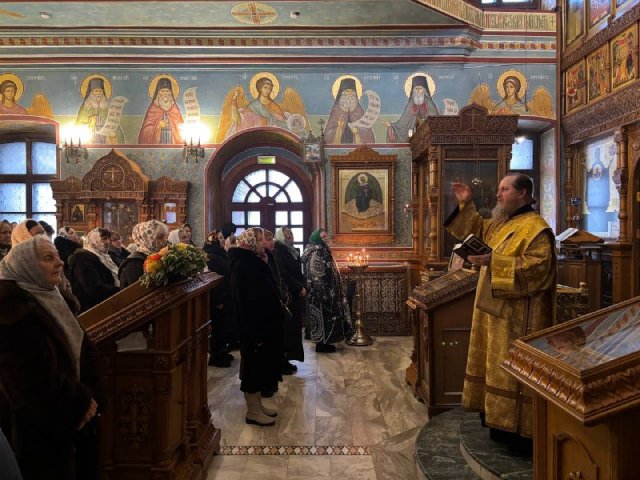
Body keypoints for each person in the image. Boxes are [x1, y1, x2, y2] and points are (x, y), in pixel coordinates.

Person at [446, 173, 556, 452]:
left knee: (510, 370)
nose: (498, 194)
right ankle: (495, 421)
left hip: (517, 320)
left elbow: (538, 268)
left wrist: (492, 261)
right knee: (493, 366)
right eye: (499, 189)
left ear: (522, 193)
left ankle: (518, 433)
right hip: (493, 312)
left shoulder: (536, 228)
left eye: (504, 189)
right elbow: (475, 230)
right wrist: (466, 203)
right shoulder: (503, 223)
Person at [0, 236, 103, 480]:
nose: (60, 262)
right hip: (37, 429)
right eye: (48, 258)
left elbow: (82, 349)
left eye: (57, 255)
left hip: (74, 418)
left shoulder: (54, 297)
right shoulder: (11, 311)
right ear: (27, 266)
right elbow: (28, 381)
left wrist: (90, 397)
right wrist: (79, 402)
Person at [228, 228, 284, 426]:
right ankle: (252, 411)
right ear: (250, 242)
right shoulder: (243, 264)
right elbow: (246, 303)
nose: (263, 243)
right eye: (259, 240)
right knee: (252, 369)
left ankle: (258, 406)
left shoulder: (254, 260)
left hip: (263, 325)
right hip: (253, 327)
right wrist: (254, 333)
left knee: (261, 367)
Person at [302, 228, 352, 353]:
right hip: (320, 294)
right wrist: (323, 294)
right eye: (323, 237)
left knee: (327, 319)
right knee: (321, 318)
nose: (326, 239)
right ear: (317, 238)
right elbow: (316, 275)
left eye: (326, 236)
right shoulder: (315, 253)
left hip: (328, 292)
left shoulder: (323, 250)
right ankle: (321, 345)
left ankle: (326, 343)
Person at [274, 227, 306, 369]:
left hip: (295, 294)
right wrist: (299, 287)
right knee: (288, 329)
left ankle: (288, 358)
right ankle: (283, 360)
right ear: (281, 238)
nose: (291, 239)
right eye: (288, 237)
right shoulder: (279, 252)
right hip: (288, 296)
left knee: (294, 329)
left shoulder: (292, 251)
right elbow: (284, 274)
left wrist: (304, 286)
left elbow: (298, 272)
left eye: (291, 236)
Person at [203, 230, 236, 367]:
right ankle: (216, 355)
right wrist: (218, 300)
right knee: (217, 328)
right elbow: (213, 281)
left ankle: (222, 351)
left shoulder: (220, 253)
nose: (223, 240)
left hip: (225, 296)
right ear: (214, 240)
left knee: (223, 327)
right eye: (220, 238)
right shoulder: (211, 256)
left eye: (223, 237)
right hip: (218, 299)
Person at [68, 228, 120, 312]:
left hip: (105, 303)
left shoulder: (104, 257)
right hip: (92, 308)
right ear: (94, 240)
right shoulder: (83, 258)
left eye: (108, 239)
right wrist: (119, 290)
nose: (108, 242)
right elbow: (93, 287)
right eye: (104, 239)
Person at [386, 74, 439, 143]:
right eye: (416, 89)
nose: (418, 91)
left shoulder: (429, 102)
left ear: (424, 90)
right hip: (412, 133)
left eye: (420, 89)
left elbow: (435, 118)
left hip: (426, 134)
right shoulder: (411, 103)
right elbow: (404, 121)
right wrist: (392, 126)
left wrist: (423, 120)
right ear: (413, 90)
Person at [118, 220, 168, 289]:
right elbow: (138, 291)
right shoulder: (133, 264)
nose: (165, 240)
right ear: (146, 239)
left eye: (165, 236)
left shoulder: (158, 255)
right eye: (160, 237)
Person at [325, 77, 375, 145]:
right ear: (342, 93)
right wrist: (339, 129)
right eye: (347, 91)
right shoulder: (336, 110)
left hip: (357, 148)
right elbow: (328, 133)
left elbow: (367, 131)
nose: (349, 94)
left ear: (355, 93)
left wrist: (358, 131)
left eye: (352, 91)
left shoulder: (359, 110)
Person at [75, 76, 124, 144]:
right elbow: (79, 125)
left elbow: (114, 124)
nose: (99, 93)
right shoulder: (85, 108)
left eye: (100, 91)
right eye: (96, 91)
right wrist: (91, 121)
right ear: (91, 93)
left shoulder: (106, 108)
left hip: (106, 136)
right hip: (92, 134)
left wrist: (113, 131)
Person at [138, 77, 184, 144]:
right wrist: (159, 125)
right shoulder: (153, 108)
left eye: (167, 91)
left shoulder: (175, 108)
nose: (165, 94)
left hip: (172, 144)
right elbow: (145, 131)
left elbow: (180, 128)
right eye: (162, 91)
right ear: (158, 93)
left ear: (170, 93)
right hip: (157, 145)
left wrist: (172, 126)